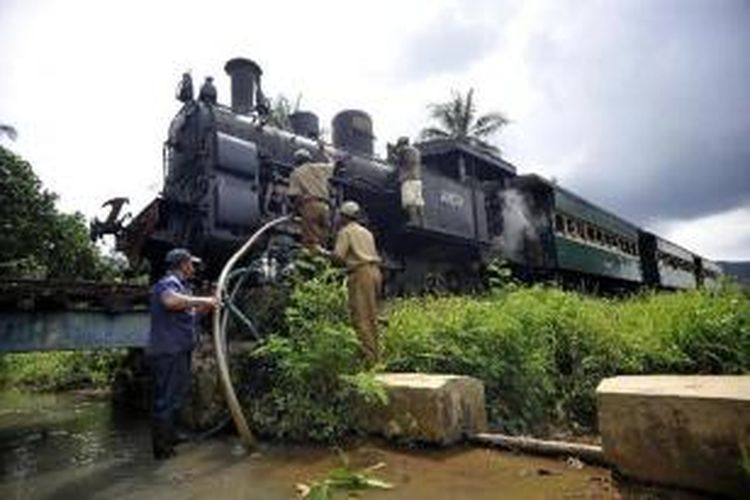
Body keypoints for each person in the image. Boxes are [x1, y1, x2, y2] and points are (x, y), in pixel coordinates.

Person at [147, 248, 217, 460]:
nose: (193, 268)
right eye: (191, 264)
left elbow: (190, 316)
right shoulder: (167, 284)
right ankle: (162, 450)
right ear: (183, 265)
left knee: (176, 396)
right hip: (168, 352)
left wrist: (209, 302)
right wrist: (204, 301)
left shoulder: (182, 289)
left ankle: (172, 435)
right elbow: (170, 301)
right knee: (166, 400)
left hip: (179, 350)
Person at [320, 201, 382, 366]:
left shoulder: (346, 232)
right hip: (375, 272)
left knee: (361, 317)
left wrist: (322, 253)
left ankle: (368, 362)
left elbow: (339, 257)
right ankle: (376, 356)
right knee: (372, 316)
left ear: (343, 217)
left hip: (361, 273)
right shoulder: (367, 233)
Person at [287, 148, 335, 250]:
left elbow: (297, 196)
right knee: (323, 239)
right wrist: (326, 153)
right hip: (325, 207)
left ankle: (313, 261)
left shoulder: (296, 173)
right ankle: (323, 259)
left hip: (310, 205)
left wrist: (294, 213)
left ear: (297, 161)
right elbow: (334, 166)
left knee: (311, 240)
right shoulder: (320, 167)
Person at [395, 136, 425, 226]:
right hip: (417, 179)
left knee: (410, 202)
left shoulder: (404, 150)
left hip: (407, 178)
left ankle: (413, 221)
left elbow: (400, 161)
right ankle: (422, 222)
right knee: (418, 202)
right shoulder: (416, 151)